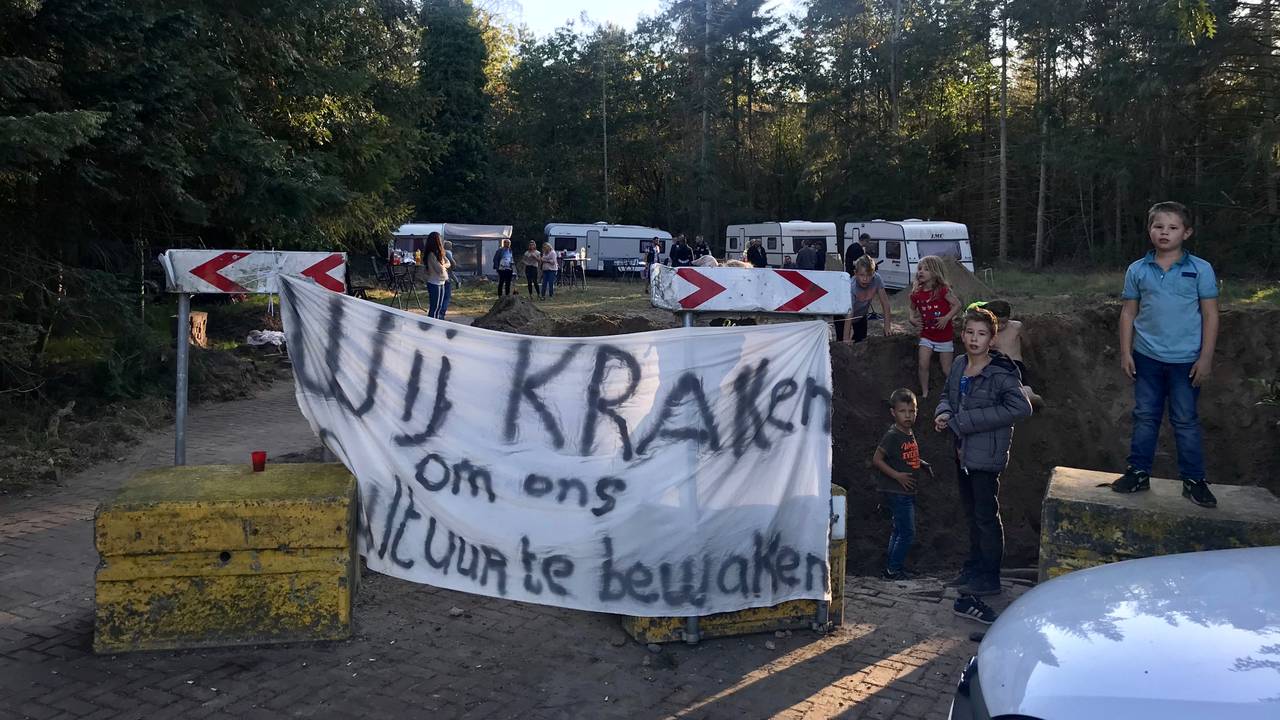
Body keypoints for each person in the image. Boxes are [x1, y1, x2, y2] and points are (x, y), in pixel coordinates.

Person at [1112, 201, 1219, 508]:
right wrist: (1125, 352)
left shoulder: (1200, 269)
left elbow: (1210, 315)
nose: (1164, 232)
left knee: (1185, 420)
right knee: (1145, 416)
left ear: (1187, 233)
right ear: (1149, 230)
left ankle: (1194, 480)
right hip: (1147, 358)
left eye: (1173, 227)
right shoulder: (1137, 270)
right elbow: (1128, 313)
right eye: (1158, 226)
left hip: (1186, 361)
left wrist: (1206, 358)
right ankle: (1138, 473)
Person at [934, 306, 1033, 597]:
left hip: (986, 456)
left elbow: (1022, 408)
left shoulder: (1000, 374)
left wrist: (965, 421)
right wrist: (944, 412)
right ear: (962, 335)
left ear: (992, 338)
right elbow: (947, 395)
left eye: (981, 334)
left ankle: (989, 578)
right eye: (970, 332)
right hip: (962, 453)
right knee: (971, 514)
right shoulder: (958, 365)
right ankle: (973, 569)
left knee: (986, 517)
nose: (974, 339)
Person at [872, 388, 932, 580]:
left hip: (907, 491)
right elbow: (877, 459)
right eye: (902, 411)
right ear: (893, 412)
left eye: (911, 411)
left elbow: (903, 455)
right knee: (907, 532)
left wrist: (920, 463)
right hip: (897, 491)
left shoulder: (908, 432)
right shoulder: (893, 435)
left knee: (899, 530)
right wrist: (897, 475)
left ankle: (892, 566)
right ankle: (893, 569)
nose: (907, 416)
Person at [975, 300, 1044, 409]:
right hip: (995, 366)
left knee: (1025, 389)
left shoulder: (1016, 326)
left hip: (1015, 365)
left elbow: (1027, 344)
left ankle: (1033, 398)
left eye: (1004, 322)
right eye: (997, 322)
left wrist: (1031, 361)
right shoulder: (986, 330)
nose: (1000, 326)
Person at [910, 255, 961, 399]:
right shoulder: (916, 293)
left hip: (944, 336)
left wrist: (946, 318)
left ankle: (956, 391)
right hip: (927, 335)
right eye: (920, 268)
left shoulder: (942, 290)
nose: (921, 271)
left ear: (935, 272)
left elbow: (957, 305)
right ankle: (925, 393)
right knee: (923, 364)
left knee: (946, 369)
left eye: (926, 269)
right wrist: (911, 318)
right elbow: (912, 309)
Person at [844, 256, 893, 343]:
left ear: (873, 273)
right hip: (844, 317)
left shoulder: (877, 279)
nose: (865, 279)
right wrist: (846, 338)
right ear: (855, 273)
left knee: (861, 342)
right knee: (843, 344)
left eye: (869, 275)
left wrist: (887, 326)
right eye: (862, 275)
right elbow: (849, 313)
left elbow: (885, 303)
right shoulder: (852, 286)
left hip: (861, 316)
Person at [424, 231, 450, 319]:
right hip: (434, 282)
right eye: (440, 239)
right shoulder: (431, 255)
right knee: (435, 308)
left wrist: (443, 265)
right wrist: (443, 266)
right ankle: (431, 324)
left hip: (441, 282)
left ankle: (435, 322)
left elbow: (449, 263)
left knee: (439, 307)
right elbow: (439, 269)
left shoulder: (439, 253)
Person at [441, 240, 458, 316]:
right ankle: (442, 313)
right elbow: (452, 261)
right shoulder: (448, 252)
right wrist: (453, 266)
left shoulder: (440, 252)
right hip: (446, 272)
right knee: (446, 297)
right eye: (450, 246)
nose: (451, 247)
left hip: (440, 275)